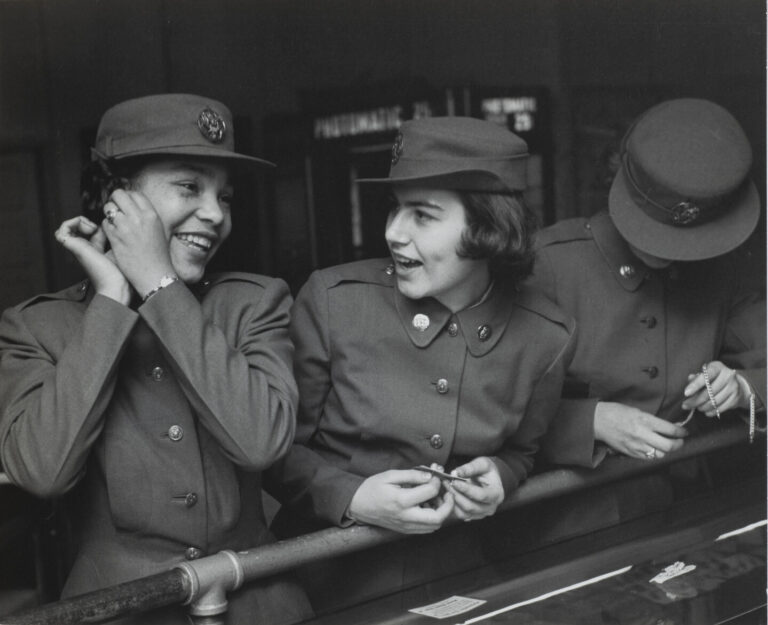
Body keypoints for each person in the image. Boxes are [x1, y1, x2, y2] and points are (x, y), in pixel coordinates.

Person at [0, 94, 311, 624]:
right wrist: (110, 302)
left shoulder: (255, 303)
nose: (214, 214)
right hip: (119, 613)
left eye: (226, 197)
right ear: (115, 199)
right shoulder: (36, 327)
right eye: (190, 187)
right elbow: (42, 472)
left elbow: (260, 441)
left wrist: (159, 285)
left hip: (262, 610)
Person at [265, 116, 576, 610]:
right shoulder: (333, 302)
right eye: (395, 209)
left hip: (460, 581)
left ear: (489, 227)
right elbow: (275, 450)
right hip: (324, 583)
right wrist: (352, 497)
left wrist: (500, 476)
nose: (393, 232)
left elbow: (522, 452)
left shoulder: (546, 335)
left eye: (423, 215)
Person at [529, 98, 765, 469]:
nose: (668, 250)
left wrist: (741, 387)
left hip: (694, 507)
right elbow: (483, 408)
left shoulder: (722, 271)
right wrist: (591, 421)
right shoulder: (548, 263)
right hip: (577, 512)